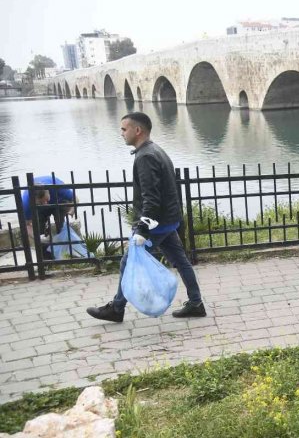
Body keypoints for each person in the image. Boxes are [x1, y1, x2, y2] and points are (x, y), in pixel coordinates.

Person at [87, 112, 206, 322]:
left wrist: (143, 228)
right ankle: (196, 303)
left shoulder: (146, 157)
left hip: (155, 224)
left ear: (137, 130)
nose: (121, 133)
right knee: (180, 260)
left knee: (128, 262)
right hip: (167, 220)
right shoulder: (156, 150)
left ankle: (117, 308)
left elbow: (151, 197)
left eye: (124, 129)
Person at [21, 176, 76, 259]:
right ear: (33, 199)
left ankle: (65, 251)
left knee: (60, 222)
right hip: (39, 209)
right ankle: (46, 258)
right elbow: (27, 224)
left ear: (48, 192)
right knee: (39, 229)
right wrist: (37, 238)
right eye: (41, 201)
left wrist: (72, 210)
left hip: (58, 201)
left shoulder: (58, 187)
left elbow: (75, 199)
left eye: (46, 199)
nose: (46, 203)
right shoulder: (26, 202)